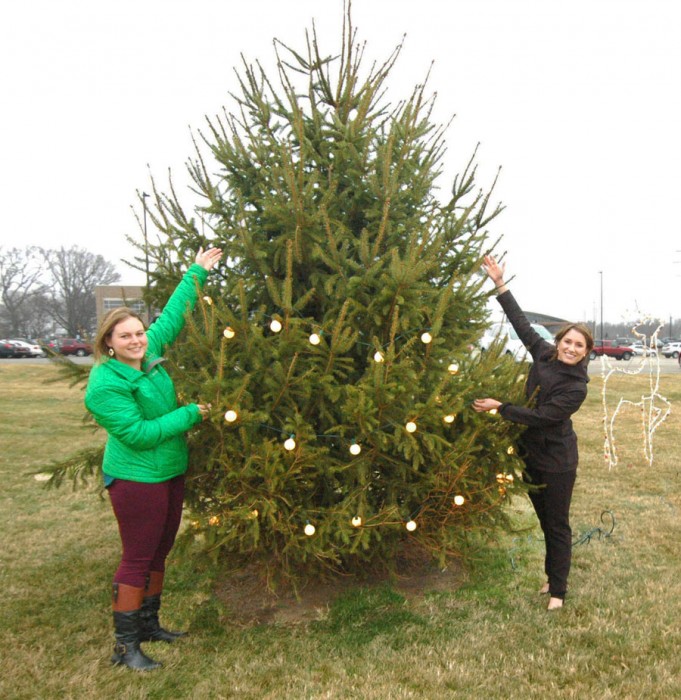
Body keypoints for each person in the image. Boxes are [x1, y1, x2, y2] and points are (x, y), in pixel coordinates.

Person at [85, 246, 222, 670]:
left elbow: (174, 315)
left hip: (169, 472)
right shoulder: (105, 384)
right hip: (136, 479)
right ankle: (125, 647)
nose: (136, 340)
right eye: (125, 336)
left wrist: (196, 272)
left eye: (138, 333)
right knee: (138, 556)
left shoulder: (149, 352)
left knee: (160, 550)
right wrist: (187, 415)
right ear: (108, 343)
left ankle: (149, 624)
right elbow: (139, 434)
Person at [473, 254, 593, 611]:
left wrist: (501, 408)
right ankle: (552, 576)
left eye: (579, 346)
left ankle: (559, 591)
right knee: (543, 520)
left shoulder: (577, 386)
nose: (570, 348)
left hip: (556, 461)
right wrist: (499, 283)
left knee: (557, 525)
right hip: (530, 456)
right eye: (567, 342)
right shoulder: (543, 354)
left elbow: (543, 417)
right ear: (559, 342)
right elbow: (522, 323)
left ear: (586, 353)